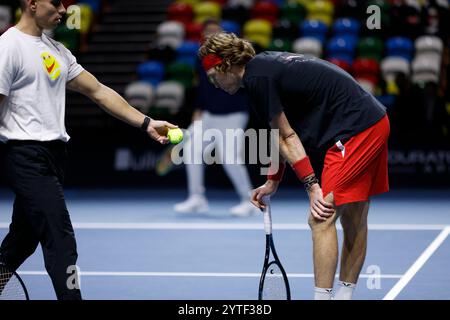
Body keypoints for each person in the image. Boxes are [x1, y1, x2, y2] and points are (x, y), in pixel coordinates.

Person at [0, 0, 176, 300]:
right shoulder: (8, 47)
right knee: (60, 238)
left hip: (55, 155)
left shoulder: (55, 50)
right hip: (24, 154)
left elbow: (98, 91)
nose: (63, 10)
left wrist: (145, 122)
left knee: (23, 239)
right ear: (31, 4)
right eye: (55, 3)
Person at [198, 32, 390, 300]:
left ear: (226, 66)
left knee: (320, 218)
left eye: (213, 76)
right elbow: (280, 133)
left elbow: (287, 137)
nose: (214, 85)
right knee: (355, 215)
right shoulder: (262, 69)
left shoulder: (257, 79)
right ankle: (344, 296)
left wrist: (312, 186)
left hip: (355, 130)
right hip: (372, 120)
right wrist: (273, 180)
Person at [174, 19, 258, 217]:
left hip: (234, 115)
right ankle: (196, 198)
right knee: (190, 150)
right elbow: (203, 87)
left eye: (215, 32)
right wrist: (198, 109)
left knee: (230, 158)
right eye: (208, 32)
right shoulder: (201, 59)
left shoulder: (234, 56)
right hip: (208, 115)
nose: (211, 35)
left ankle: (249, 201)